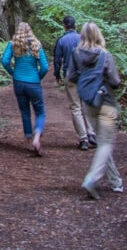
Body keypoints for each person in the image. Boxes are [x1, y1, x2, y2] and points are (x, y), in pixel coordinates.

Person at [67, 21, 123, 199]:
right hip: (105, 102)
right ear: (98, 34)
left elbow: (71, 76)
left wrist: (86, 82)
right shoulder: (104, 54)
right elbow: (115, 81)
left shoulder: (75, 53)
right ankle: (92, 179)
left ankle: (116, 182)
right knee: (105, 143)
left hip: (88, 101)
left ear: (82, 35)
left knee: (102, 142)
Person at [1, 21, 50, 155]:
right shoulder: (36, 44)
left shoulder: (13, 44)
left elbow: (4, 61)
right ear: (30, 31)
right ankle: (37, 137)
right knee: (40, 112)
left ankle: (29, 140)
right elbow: (45, 67)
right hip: (33, 83)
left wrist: (13, 73)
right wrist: (37, 77)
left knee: (25, 112)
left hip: (18, 82)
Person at [53, 15, 96, 150]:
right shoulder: (83, 39)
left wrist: (57, 75)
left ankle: (83, 139)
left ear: (64, 25)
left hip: (70, 76)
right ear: (75, 25)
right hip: (86, 76)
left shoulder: (62, 41)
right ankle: (92, 134)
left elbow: (57, 59)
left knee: (76, 107)